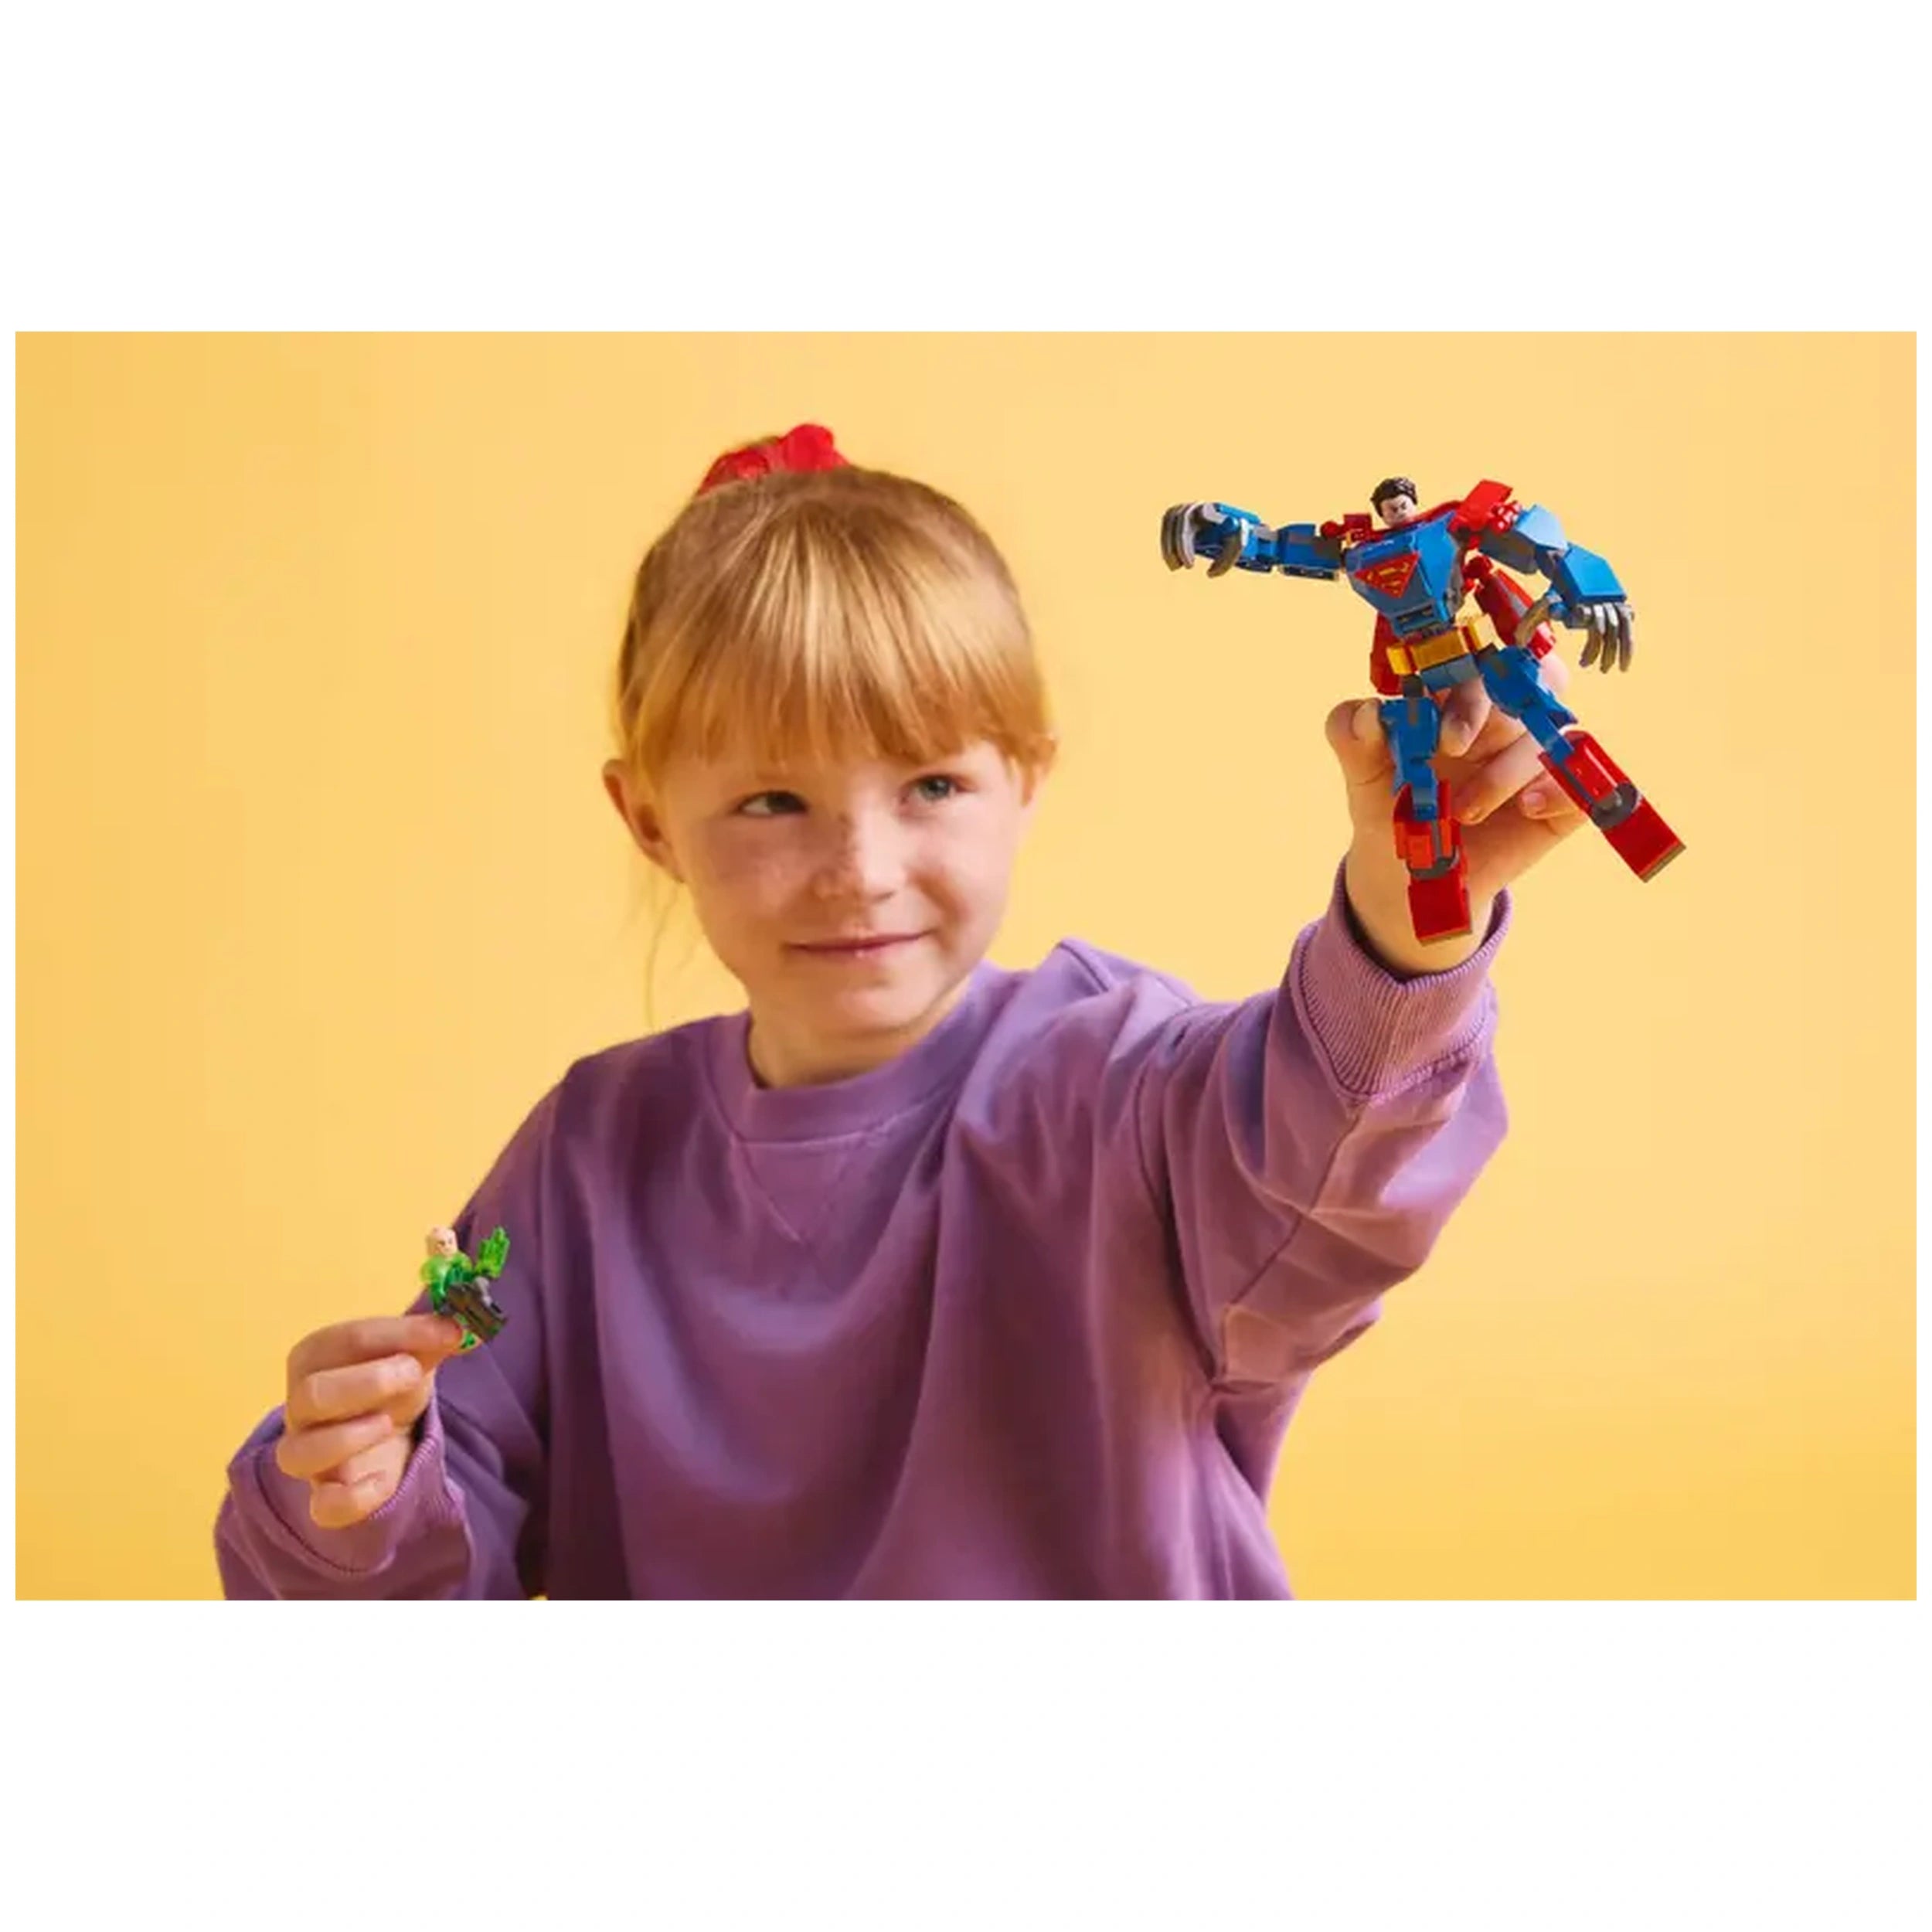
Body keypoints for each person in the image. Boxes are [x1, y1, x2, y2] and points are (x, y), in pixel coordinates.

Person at [214, 423, 1586, 1599]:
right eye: (771, 801)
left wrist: (1413, 909)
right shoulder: (588, 1158)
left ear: (1026, 780)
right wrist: (352, 1501)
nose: (859, 869)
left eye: (930, 785)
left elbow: (1323, 1169)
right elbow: (425, 1564)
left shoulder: (1112, 1085)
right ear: (648, 821)